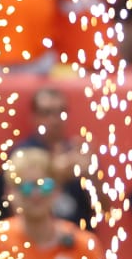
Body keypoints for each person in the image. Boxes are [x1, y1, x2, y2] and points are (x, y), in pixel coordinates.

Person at [17, 87, 98, 229]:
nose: (54, 120)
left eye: (61, 112)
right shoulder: (23, 153)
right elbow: (17, 205)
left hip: (76, 240)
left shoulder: (78, 150)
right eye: (46, 113)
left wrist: (92, 176)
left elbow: (104, 208)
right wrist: (57, 174)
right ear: (34, 117)